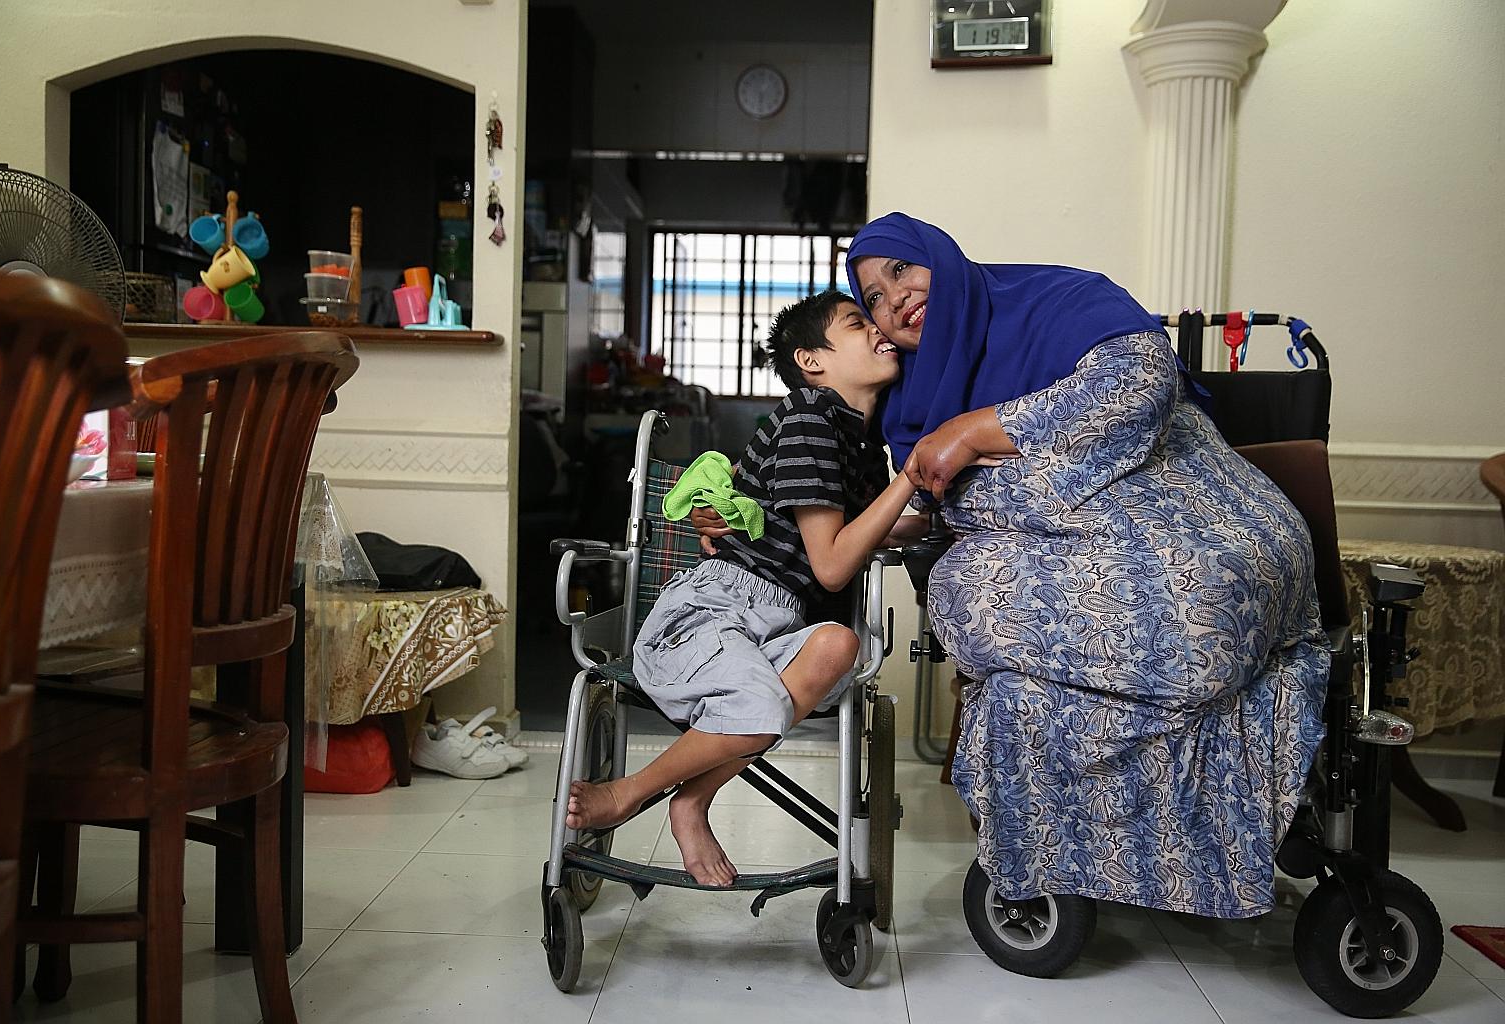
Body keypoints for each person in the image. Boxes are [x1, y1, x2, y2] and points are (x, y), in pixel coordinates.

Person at [841, 212, 1330, 918]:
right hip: (1098, 577)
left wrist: (975, 430)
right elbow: (949, 503)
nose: (895, 301)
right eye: (874, 301)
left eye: (900, 272)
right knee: (981, 633)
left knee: (982, 594)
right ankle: (1083, 863)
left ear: (941, 259)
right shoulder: (911, 398)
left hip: (1207, 542)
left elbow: (1136, 385)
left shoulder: (1054, 297)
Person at [565, 290, 919, 887]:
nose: (880, 329)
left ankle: (690, 800)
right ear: (812, 360)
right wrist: (914, 477)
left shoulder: (859, 444)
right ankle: (634, 795)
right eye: (859, 322)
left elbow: (861, 530)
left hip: (778, 622)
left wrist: (940, 509)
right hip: (718, 610)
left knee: (838, 646)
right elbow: (833, 565)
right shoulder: (812, 418)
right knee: (761, 704)